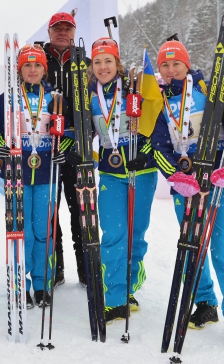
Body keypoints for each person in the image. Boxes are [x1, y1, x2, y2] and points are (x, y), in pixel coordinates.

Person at [151, 39, 224, 353]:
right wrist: (176, 177)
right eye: (165, 65)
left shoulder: (210, 90)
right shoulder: (160, 102)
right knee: (192, 250)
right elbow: (159, 147)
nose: (171, 70)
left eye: (176, 64)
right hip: (188, 187)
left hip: (221, 182)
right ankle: (204, 302)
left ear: (187, 63)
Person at [67, 38, 157, 322]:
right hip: (109, 172)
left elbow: (157, 124)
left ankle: (130, 286)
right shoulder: (90, 95)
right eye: (97, 62)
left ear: (117, 63)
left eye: (108, 61)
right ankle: (115, 298)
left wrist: (144, 152)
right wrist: (76, 149)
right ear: (91, 67)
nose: (103, 66)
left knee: (135, 235)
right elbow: (85, 133)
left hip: (140, 171)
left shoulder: (134, 87)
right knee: (113, 235)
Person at [0, 44, 72, 307]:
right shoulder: (8, 97)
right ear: (19, 69)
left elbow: (68, 131)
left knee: (44, 232)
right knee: (20, 231)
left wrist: (63, 148)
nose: (32, 69)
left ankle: (41, 284)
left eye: (37, 65)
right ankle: (20, 284)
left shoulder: (55, 98)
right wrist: (1, 147)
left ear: (44, 69)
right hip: (17, 171)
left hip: (47, 172)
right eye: (27, 65)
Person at [43, 12, 87, 286]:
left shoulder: (84, 60)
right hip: (45, 145)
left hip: (76, 146)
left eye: (66, 28)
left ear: (74, 31)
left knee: (80, 210)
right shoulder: (38, 58)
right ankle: (54, 268)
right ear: (49, 33)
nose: (61, 32)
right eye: (56, 28)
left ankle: (85, 268)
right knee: (49, 211)